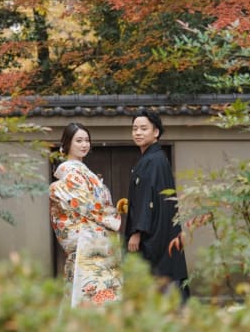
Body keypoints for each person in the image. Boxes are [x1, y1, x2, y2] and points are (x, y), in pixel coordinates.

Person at [49, 122, 122, 307]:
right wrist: (112, 215)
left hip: (92, 237)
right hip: (87, 238)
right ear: (67, 144)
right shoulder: (71, 172)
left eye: (87, 140)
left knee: (90, 288)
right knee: (91, 288)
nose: (84, 145)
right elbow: (90, 206)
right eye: (79, 140)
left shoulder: (82, 171)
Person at [125, 110, 190, 302]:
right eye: (135, 128)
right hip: (159, 227)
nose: (138, 132)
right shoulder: (152, 159)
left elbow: (148, 199)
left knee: (156, 272)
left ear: (156, 132)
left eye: (144, 128)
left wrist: (137, 231)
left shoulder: (154, 160)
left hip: (152, 231)